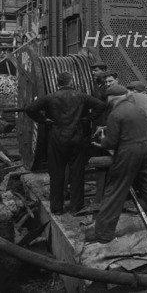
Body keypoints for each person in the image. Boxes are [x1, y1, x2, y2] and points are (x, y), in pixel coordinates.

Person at [85, 85, 147, 244]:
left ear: (112, 98)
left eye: (108, 98)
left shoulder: (115, 114)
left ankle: (103, 234)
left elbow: (111, 142)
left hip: (127, 154)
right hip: (145, 151)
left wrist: (102, 142)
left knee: (115, 190)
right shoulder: (138, 110)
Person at [25, 72, 106, 215]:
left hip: (57, 139)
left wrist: (44, 120)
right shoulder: (81, 96)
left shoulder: (49, 97)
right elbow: (101, 105)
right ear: (71, 82)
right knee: (77, 173)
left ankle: (56, 209)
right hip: (77, 138)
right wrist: (88, 118)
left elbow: (30, 109)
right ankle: (76, 207)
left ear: (58, 83)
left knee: (57, 174)